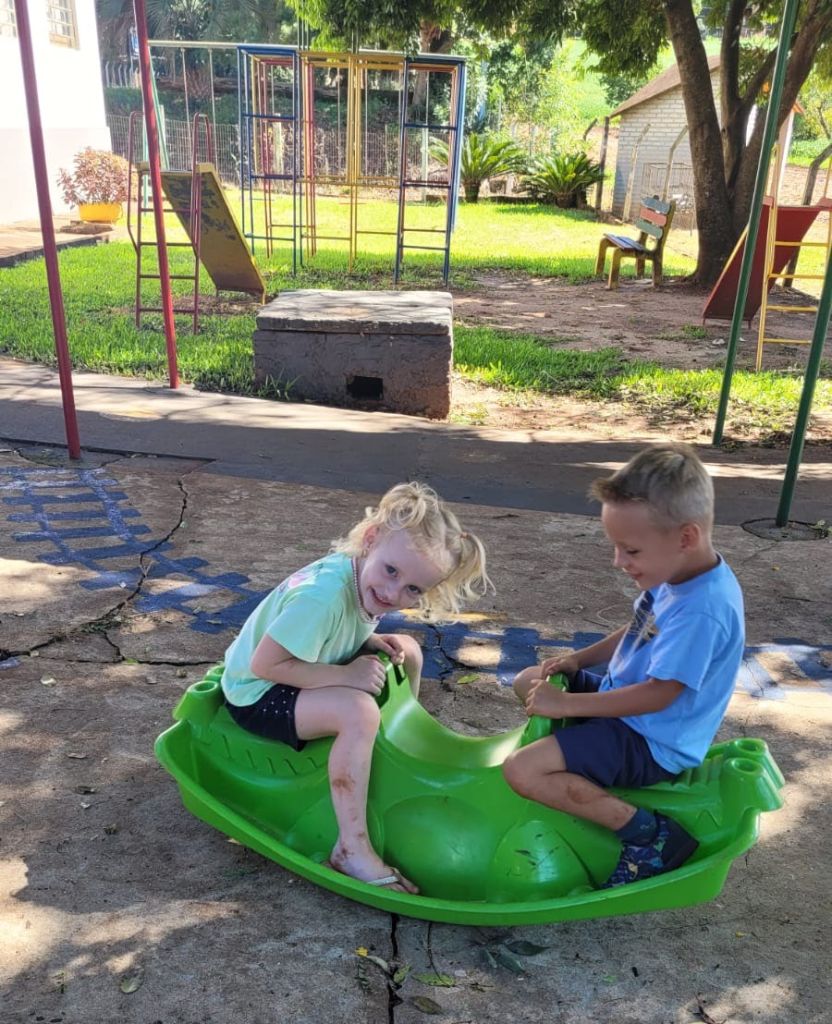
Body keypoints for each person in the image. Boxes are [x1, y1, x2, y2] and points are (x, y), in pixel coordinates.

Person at [221, 482, 491, 894]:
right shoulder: (322, 596)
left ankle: (399, 753)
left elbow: (338, 625)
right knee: (358, 711)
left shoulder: (363, 573)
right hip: (257, 692)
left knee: (408, 650)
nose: (393, 593)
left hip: (296, 667)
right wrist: (347, 677)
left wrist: (367, 640)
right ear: (370, 540)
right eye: (392, 572)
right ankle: (350, 848)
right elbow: (266, 665)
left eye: (413, 589)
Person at [503, 443, 744, 888]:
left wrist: (568, 706)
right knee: (527, 679)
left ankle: (648, 836)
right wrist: (579, 659)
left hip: (651, 741)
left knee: (522, 770)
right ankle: (580, 752)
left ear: (685, 537)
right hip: (626, 709)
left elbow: (660, 695)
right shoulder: (677, 573)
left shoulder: (703, 610)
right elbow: (638, 628)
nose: (619, 562)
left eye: (630, 550)